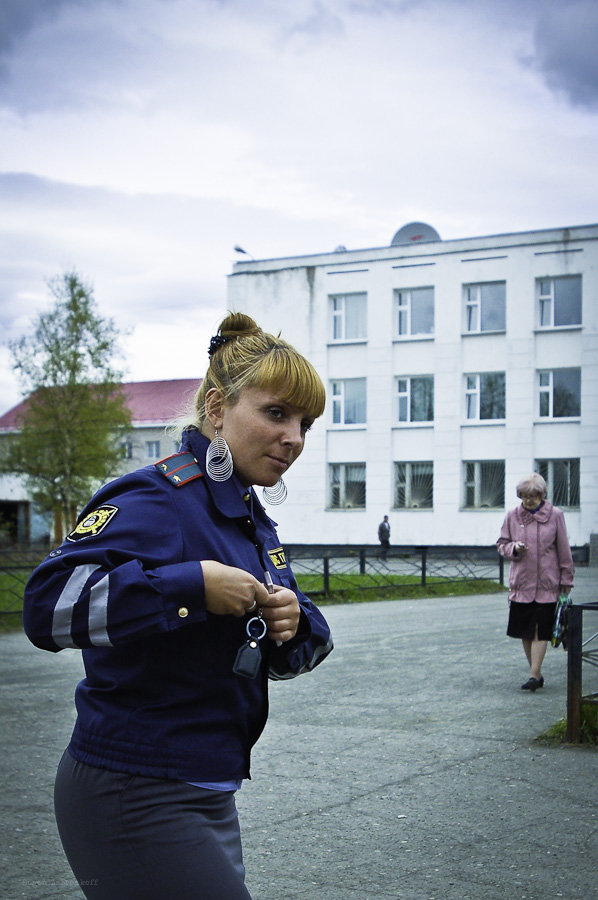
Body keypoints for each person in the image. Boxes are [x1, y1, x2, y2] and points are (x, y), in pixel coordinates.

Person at [22, 312, 334, 900]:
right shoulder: (156, 497)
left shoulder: (248, 517)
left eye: (305, 423)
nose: (294, 437)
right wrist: (189, 588)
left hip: (209, 787)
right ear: (217, 408)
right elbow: (44, 606)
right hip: (133, 785)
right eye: (276, 413)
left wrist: (293, 622)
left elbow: (299, 648)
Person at [497, 472, 574, 692]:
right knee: (525, 631)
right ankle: (536, 674)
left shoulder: (556, 515)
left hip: (547, 583)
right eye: (524, 496)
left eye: (532, 496)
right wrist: (514, 548)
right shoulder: (512, 516)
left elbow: (564, 549)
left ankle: (533, 674)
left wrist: (567, 578)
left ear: (542, 495)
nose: (528, 500)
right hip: (522, 583)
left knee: (541, 630)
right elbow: (501, 544)